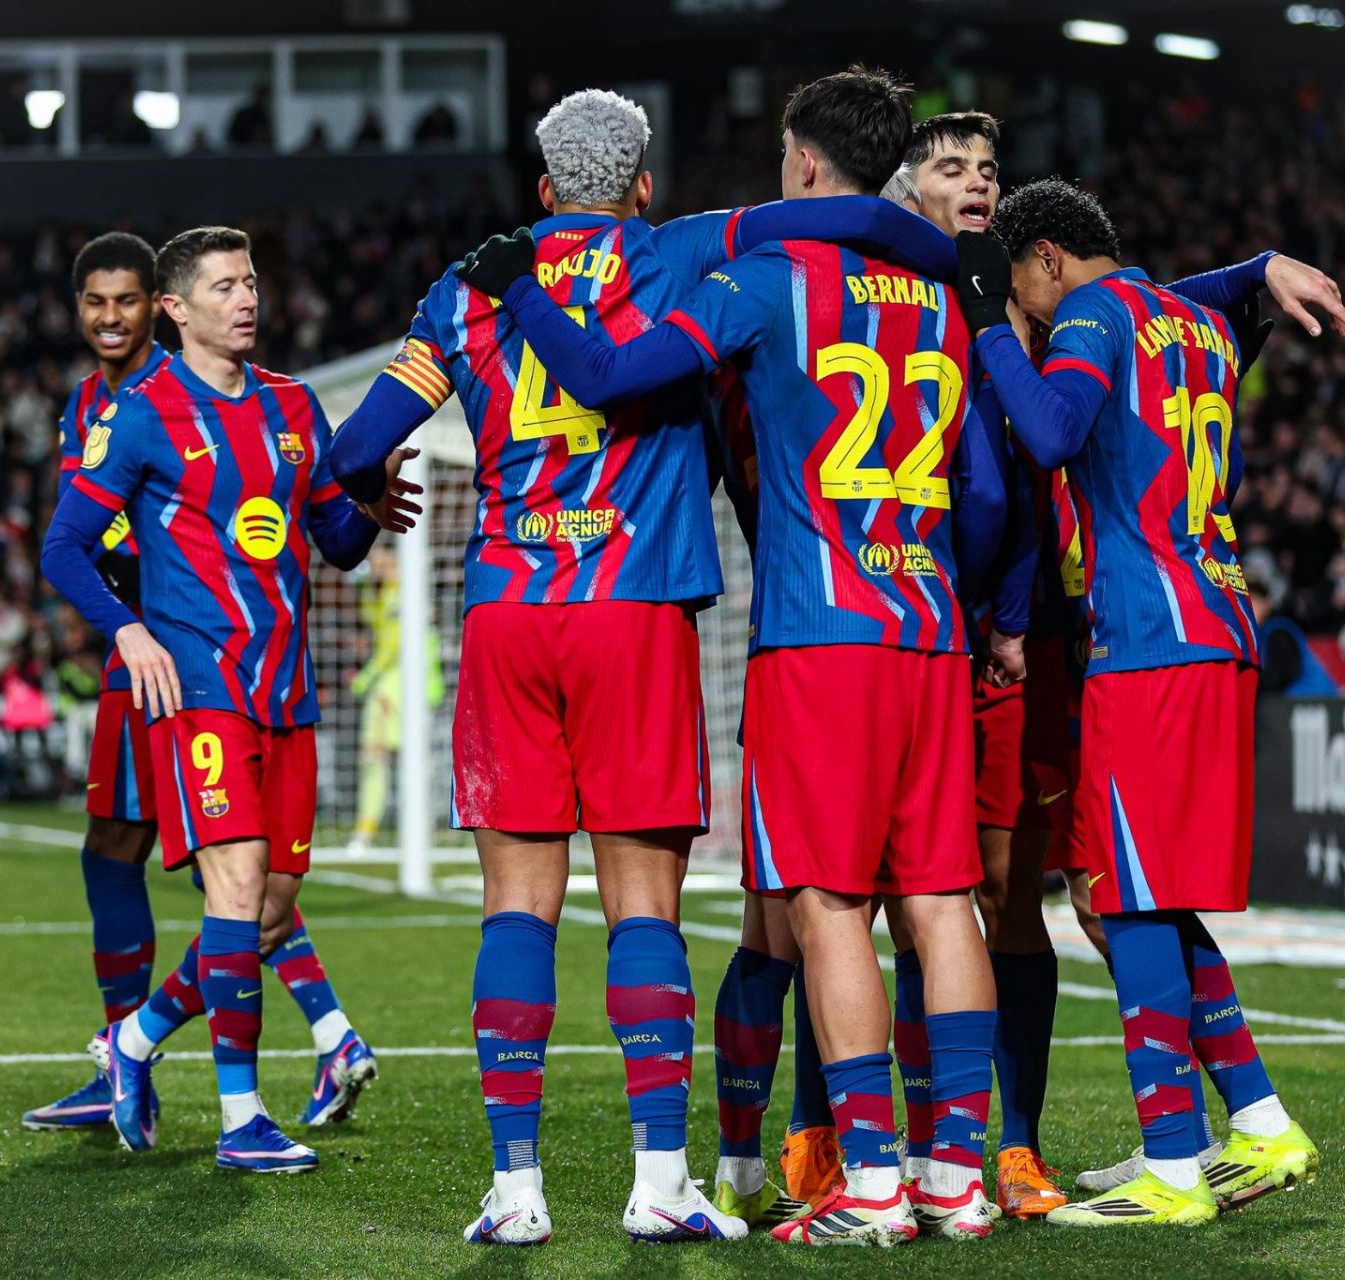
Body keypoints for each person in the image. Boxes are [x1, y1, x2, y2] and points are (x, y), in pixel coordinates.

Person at [329, 87, 946, 1246]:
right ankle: (660, 1178)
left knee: (516, 907)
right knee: (644, 909)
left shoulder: (467, 289)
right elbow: (860, 223)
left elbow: (352, 452)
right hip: (637, 609)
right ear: (644, 186)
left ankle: (516, 1188)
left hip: (511, 612)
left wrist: (359, 509)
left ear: (543, 189)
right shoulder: (682, 250)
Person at [474, 66, 1011, 1246]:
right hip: (930, 625)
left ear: (804, 160)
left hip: (821, 633)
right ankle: (955, 1174)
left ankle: (873, 1180)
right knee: (941, 900)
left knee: (825, 902)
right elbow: (983, 489)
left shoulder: (766, 279)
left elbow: (607, 376)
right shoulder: (944, 294)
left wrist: (519, 287)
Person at [958, 178, 1320, 1226]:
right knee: (1147, 891)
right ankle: (1257, 1121)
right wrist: (1256, 269)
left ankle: (1172, 1160)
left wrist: (989, 329)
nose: (1028, 310)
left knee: (1122, 896)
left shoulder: (1088, 311)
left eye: (1023, 287)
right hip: (1217, 619)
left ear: (1046, 258)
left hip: (1149, 640)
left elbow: (1050, 431)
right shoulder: (1194, 322)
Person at [40, 226, 413, 1173]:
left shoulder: (294, 405)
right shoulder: (141, 414)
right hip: (200, 687)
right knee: (237, 888)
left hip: (287, 690)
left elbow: (333, 543)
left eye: (250, 282)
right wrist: (128, 631)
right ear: (176, 308)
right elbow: (64, 546)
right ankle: (242, 1118)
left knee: (270, 914)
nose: (246, 299)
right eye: (223, 287)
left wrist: (369, 509)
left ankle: (133, 1042)